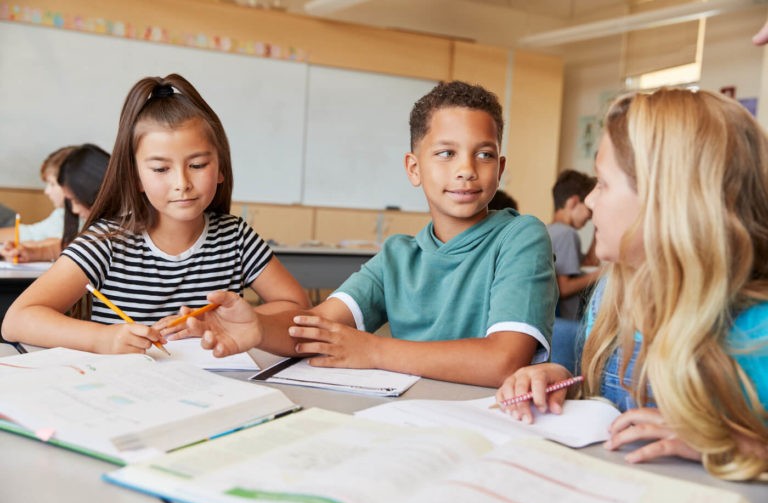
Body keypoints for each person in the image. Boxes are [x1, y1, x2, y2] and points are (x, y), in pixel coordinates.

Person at [185, 80, 558, 388]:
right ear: (413, 168)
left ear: (500, 168)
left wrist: (375, 350)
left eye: (484, 154)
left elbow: (504, 360)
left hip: (490, 422)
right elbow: (316, 327)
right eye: (446, 153)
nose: (466, 169)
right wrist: (258, 326)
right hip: (409, 417)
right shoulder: (398, 256)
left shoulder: (520, 237)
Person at [497, 88, 768, 480]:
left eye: (603, 184)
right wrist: (562, 381)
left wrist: (732, 444)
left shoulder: (758, 330)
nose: (590, 201)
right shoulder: (612, 296)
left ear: (668, 202)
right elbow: (605, 406)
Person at [1, 73, 310, 354]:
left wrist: (233, 321)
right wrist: (103, 338)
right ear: (135, 177)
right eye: (161, 169)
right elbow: (17, 320)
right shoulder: (108, 241)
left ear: (220, 168)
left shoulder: (235, 236)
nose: (182, 183)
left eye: (198, 165)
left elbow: (297, 306)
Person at [1, 144, 108, 263]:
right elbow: (63, 242)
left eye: (52, 183)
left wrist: (34, 250)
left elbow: (76, 244)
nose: (46, 191)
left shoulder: (104, 226)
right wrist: (31, 252)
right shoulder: (63, 214)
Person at [547, 169, 601, 321]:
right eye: (589, 210)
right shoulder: (567, 234)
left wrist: (598, 224)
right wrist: (602, 273)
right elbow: (563, 288)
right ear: (573, 202)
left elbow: (590, 262)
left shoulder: (549, 230)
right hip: (568, 319)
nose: (590, 216)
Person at [0, 146, 76, 244]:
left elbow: (62, 244)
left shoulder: (85, 218)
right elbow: (32, 233)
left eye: (52, 184)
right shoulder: (61, 213)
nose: (47, 191)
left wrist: (31, 249)